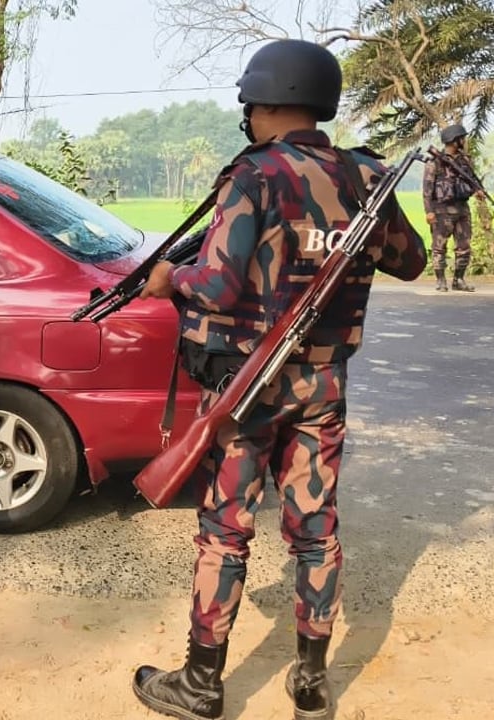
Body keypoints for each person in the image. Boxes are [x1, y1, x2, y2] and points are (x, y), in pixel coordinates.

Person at [132, 38, 428, 720]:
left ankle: (202, 684)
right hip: (323, 384)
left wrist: (167, 279)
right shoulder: (365, 178)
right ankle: (312, 681)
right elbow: (411, 262)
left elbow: (216, 285)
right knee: (317, 530)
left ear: (263, 104)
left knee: (226, 529)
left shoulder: (254, 176)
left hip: (246, 389)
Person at [423, 123, 484, 292]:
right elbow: (427, 189)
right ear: (455, 140)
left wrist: (478, 190)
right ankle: (441, 281)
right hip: (441, 211)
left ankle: (458, 279)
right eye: (462, 138)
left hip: (462, 209)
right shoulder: (435, 162)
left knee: (464, 246)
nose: (464, 141)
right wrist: (429, 211)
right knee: (439, 247)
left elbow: (472, 179)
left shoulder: (465, 160)